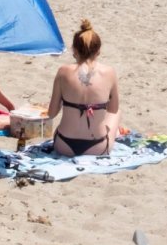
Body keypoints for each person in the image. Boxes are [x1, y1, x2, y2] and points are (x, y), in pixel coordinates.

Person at [47, 20, 120, 157]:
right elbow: (113, 109)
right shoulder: (109, 72)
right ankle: (111, 132)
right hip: (97, 147)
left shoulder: (63, 71)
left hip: (64, 145)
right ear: (98, 50)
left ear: (74, 49)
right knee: (117, 113)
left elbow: (52, 113)